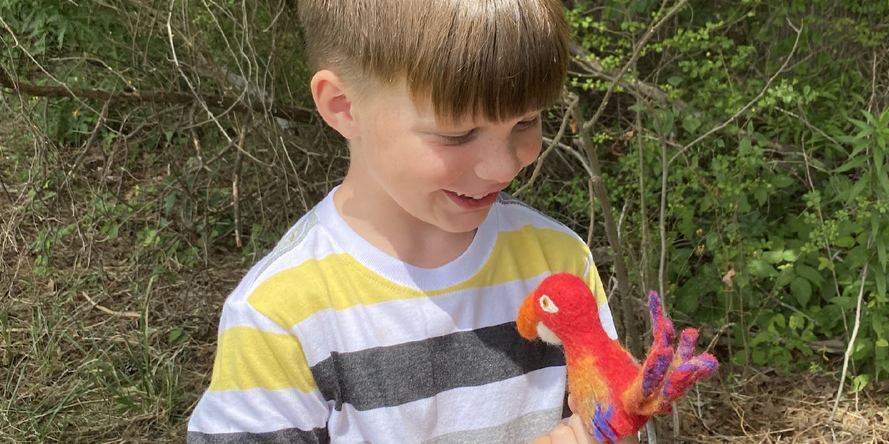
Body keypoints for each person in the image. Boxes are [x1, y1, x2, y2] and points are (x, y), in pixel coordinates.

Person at [187, 0, 637, 442]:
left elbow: (614, 417)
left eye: (527, 121)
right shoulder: (279, 314)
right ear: (344, 105)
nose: (502, 168)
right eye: (457, 134)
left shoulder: (559, 265)